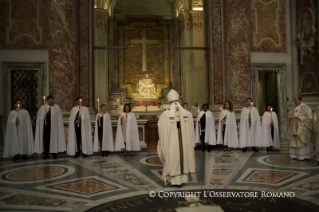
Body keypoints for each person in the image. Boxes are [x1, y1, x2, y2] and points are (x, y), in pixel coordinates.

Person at [157, 89, 195, 187]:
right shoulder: (187, 114)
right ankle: (182, 179)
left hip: (171, 144)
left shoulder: (165, 115)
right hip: (184, 145)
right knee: (182, 158)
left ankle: (175, 180)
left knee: (173, 158)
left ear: (169, 103)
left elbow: (161, 130)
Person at [288, 95, 313, 160]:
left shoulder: (305, 107)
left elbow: (310, 117)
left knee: (301, 141)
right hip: (294, 126)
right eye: (294, 100)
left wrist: (299, 117)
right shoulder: (293, 107)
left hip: (302, 127)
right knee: (294, 140)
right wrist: (290, 117)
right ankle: (295, 155)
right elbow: (290, 114)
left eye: (295, 100)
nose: (294, 101)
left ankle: (303, 156)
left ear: (299, 100)